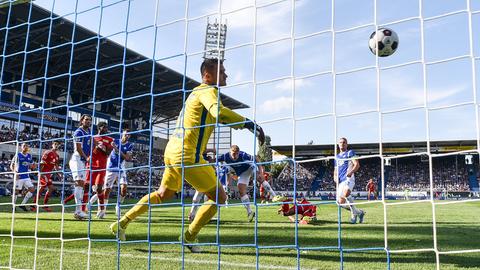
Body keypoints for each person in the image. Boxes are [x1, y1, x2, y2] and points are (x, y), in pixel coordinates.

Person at [110, 58, 265, 253]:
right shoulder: (208, 91)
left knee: (161, 194)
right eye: (222, 71)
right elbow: (219, 113)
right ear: (208, 75)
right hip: (187, 154)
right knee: (220, 197)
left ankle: (122, 223)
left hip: (172, 150)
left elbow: (218, 116)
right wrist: (250, 124)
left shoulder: (195, 93)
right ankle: (189, 237)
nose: (226, 75)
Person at [217, 145, 279, 222]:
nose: (235, 156)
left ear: (239, 152)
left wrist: (261, 172)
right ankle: (250, 212)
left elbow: (256, 158)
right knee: (241, 190)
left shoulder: (243, 155)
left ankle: (274, 196)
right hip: (243, 173)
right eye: (233, 154)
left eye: (237, 154)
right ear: (230, 152)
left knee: (259, 177)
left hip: (250, 167)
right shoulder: (225, 156)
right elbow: (215, 159)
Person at [91, 128, 133, 217]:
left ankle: (118, 205)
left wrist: (116, 149)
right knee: (106, 191)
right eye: (126, 134)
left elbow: (127, 158)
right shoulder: (114, 141)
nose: (127, 136)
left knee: (124, 188)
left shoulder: (129, 145)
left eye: (129, 135)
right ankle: (102, 210)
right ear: (122, 133)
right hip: (110, 168)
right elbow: (106, 148)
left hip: (121, 168)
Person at [83, 121, 116, 219]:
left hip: (101, 166)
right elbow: (87, 150)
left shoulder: (110, 139)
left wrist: (101, 147)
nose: (106, 129)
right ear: (99, 127)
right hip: (91, 165)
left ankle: (102, 210)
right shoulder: (93, 138)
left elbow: (108, 153)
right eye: (104, 127)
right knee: (86, 186)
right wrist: (94, 147)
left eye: (107, 127)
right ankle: (83, 208)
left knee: (98, 188)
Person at [66, 114, 92, 220]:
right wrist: (86, 158)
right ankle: (78, 211)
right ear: (81, 121)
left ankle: (79, 211)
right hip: (77, 160)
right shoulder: (78, 132)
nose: (88, 121)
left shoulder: (89, 132)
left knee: (81, 185)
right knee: (79, 183)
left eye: (90, 120)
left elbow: (89, 146)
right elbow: (78, 148)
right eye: (86, 120)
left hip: (83, 161)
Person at [334, 137, 365, 224]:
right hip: (340, 182)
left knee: (346, 193)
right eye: (340, 142)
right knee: (340, 203)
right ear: (338, 144)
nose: (342, 144)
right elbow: (335, 171)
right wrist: (335, 177)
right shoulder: (336, 157)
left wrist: (350, 172)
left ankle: (353, 215)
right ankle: (359, 212)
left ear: (346, 144)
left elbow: (357, 165)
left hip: (348, 178)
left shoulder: (350, 153)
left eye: (344, 142)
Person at [34, 141, 61, 212]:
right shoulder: (48, 152)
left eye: (58, 144)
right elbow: (42, 162)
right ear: (52, 145)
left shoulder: (57, 156)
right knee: (42, 187)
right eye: (55, 144)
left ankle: (44, 205)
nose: (56, 145)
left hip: (48, 174)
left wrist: (59, 174)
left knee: (51, 188)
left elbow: (56, 166)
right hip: (43, 173)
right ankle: (33, 205)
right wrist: (40, 172)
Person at [10, 143, 36, 212]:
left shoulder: (29, 156)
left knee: (32, 189)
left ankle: (22, 204)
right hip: (19, 176)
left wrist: (33, 166)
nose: (25, 147)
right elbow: (11, 165)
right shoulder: (18, 155)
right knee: (16, 192)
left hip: (26, 176)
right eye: (24, 146)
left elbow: (32, 165)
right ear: (21, 147)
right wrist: (15, 173)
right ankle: (13, 206)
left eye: (26, 146)